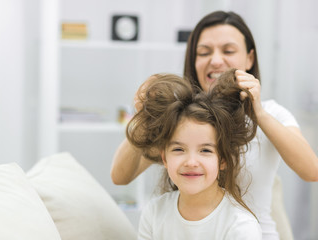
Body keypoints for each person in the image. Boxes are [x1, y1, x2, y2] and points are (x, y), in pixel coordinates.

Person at [111, 11, 318, 239]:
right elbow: (120, 177)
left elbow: (311, 171)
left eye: (228, 51)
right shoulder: (179, 118)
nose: (216, 60)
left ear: (249, 58)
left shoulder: (272, 114)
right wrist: (146, 116)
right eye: (204, 52)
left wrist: (258, 113)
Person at [127, 70, 261, 239]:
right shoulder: (154, 212)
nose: (191, 162)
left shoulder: (241, 226)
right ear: (164, 157)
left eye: (205, 150)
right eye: (178, 150)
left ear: (223, 159)